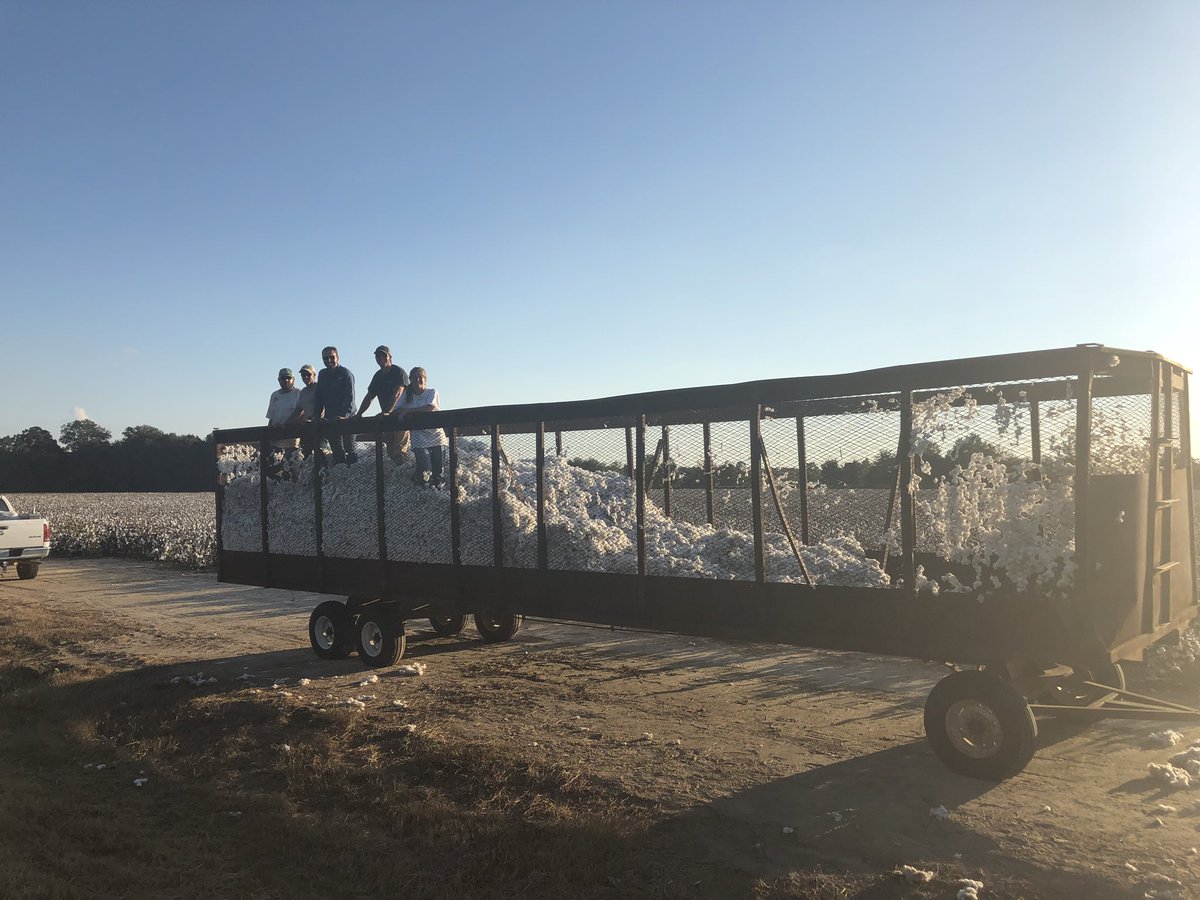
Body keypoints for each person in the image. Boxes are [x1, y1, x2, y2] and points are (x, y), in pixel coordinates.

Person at [391, 366, 446, 487]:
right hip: (418, 436)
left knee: (438, 470)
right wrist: (401, 412)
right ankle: (421, 488)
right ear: (410, 380)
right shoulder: (406, 395)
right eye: (414, 377)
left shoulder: (432, 392)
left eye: (420, 377)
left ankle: (437, 492)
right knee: (425, 468)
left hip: (436, 436)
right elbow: (396, 409)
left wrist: (408, 411)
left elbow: (430, 408)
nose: (417, 380)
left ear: (425, 379)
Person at [356, 345, 410, 462]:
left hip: (400, 416)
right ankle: (396, 475)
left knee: (399, 451)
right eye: (378, 356)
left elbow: (397, 393)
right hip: (387, 418)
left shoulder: (398, 372)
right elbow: (369, 397)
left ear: (390, 357)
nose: (380, 358)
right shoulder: (377, 376)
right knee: (390, 450)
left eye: (383, 355)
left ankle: (405, 474)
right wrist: (359, 413)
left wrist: (387, 412)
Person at [315, 346, 356, 464]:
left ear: (337, 358)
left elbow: (350, 397)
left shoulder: (346, 374)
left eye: (331, 357)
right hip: (331, 419)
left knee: (350, 451)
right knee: (337, 453)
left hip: (348, 419)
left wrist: (345, 415)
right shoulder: (322, 374)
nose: (328, 360)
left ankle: (353, 479)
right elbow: (319, 397)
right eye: (325, 358)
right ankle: (339, 480)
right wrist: (316, 416)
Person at [265, 368, 302, 476]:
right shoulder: (274, 395)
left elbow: (301, 412)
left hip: (292, 437)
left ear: (293, 379)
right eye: (283, 378)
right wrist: (269, 435)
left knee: (290, 466)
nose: (286, 380)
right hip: (276, 437)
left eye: (288, 378)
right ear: (279, 380)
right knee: (273, 467)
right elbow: (271, 417)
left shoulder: (298, 393)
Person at [289, 363, 320, 457]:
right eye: (303, 375)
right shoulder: (303, 392)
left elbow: (324, 406)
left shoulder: (320, 388)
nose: (305, 377)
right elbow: (298, 409)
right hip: (307, 428)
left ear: (314, 375)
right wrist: (288, 422)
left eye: (308, 374)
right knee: (307, 455)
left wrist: (314, 418)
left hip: (320, 427)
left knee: (320, 454)